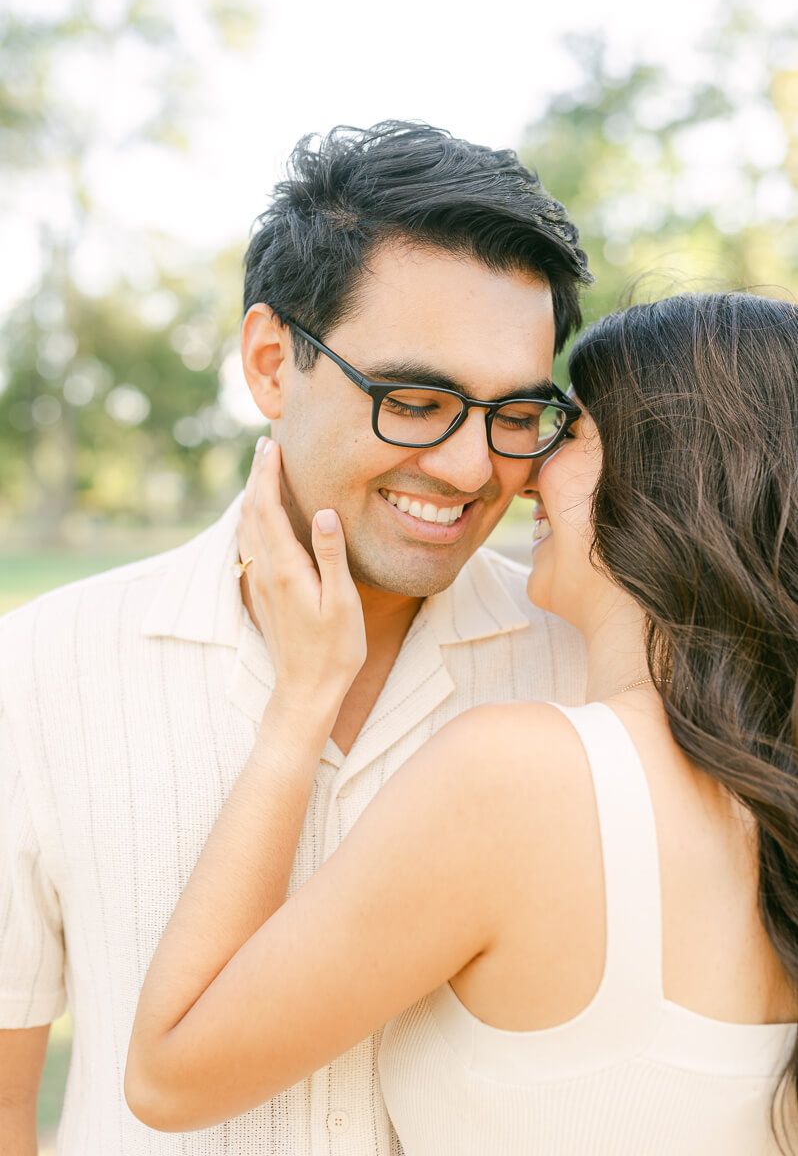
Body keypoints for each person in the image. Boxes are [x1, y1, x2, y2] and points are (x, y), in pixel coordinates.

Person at [0, 121, 592, 1154]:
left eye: (515, 414)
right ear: (273, 364)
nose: (467, 469)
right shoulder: (43, 669)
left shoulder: (584, 668)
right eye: (415, 400)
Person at [125, 291, 798, 1155]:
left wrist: (301, 705)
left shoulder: (521, 777)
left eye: (565, 429)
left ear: (671, 473)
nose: (510, 472)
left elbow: (171, 1071)